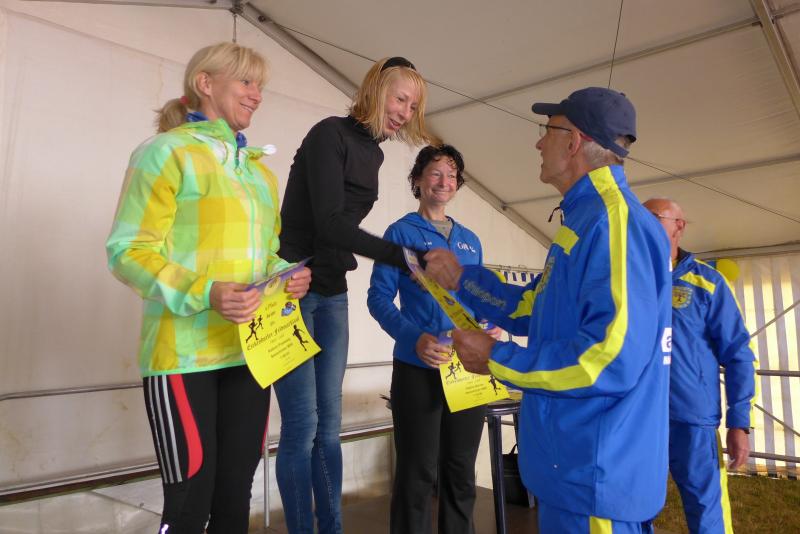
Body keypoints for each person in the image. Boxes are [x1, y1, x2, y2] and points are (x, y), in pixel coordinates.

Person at [424, 87, 673, 533]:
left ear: (574, 141)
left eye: (547, 130)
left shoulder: (614, 223)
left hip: (595, 478)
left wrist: (497, 358)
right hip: (571, 472)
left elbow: (609, 358)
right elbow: (534, 306)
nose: (539, 143)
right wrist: (463, 279)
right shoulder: (585, 219)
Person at [106, 42, 311, 533]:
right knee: (189, 505)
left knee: (235, 499)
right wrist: (207, 292)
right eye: (246, 82)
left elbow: (262, 253)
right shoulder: (164, 152)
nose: (257, 94)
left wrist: (285, 272)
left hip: (249, 352)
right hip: (182, 357)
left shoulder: (259, 172)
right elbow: (128, 251)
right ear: (205, 83)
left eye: (260, 86)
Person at [275, 56, 434, 534]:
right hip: (292, 291)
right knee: (302, 427)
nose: (405, 112)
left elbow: (342, 231)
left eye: (413, 106)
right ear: (376, 90)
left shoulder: (376, 154)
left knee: (329, 427)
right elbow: (329, 223)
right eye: (400, 99)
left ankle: (332, 529)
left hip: (333, 293)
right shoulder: (330, 135)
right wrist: (405, 257)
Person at [367, 145, 499, 534]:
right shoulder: (401, 233)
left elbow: (478, 298)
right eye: (436, 173)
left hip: (467, 368)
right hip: (417, 366)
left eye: (452, 175)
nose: (445, 182)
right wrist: (415, 339)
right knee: (417, 471)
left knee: (460, 469)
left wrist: (489, 323)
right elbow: (378, 298)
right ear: (418, 180)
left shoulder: (470, 240)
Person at [643, 198, 757, 534]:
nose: (642, 224)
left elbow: (738, 355)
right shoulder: (627, 277)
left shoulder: (708, 283)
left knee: (707, 513)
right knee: (632, 507)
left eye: (652, 217)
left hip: (692, 421)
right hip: (638, 418)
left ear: (679, 226)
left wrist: (739, 423)